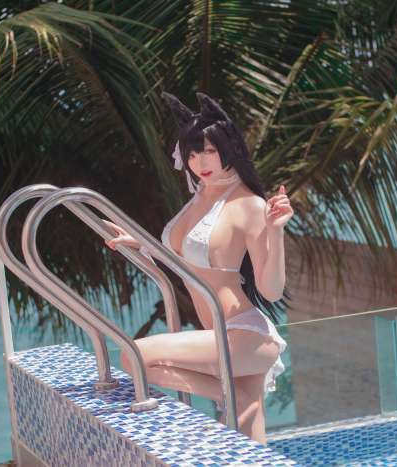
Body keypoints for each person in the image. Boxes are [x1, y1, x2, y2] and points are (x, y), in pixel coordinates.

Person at [105, 91, 293, 444]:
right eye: (192, 154)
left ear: (229, 148)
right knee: (249, 436)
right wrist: (140, 244)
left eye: (208, 151)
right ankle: (236, 400)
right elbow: (189, 258)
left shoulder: (249, 205)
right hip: (221, 333)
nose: (199, 162)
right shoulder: (202, 194)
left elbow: (270, 291)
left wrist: (276, 232)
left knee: (135, 355)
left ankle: (232, 396)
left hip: (244, 334)